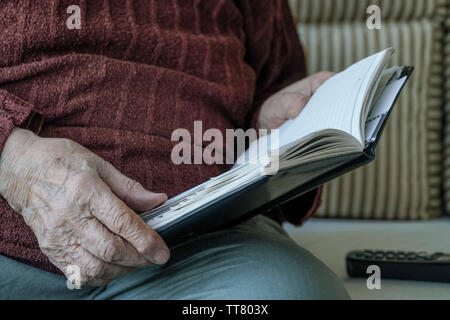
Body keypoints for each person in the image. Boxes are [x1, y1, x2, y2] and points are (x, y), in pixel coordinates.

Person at [0, 0, 349, 299]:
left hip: (198, 250)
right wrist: (16, 165)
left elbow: (275, 83)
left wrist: (271, 127)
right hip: (11, 252)